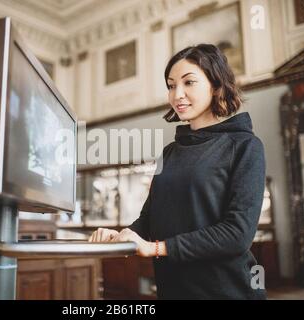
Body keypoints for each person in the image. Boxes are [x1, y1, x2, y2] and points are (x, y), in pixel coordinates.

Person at [89, 44, 266, 299]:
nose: (177, 94)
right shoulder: (170, 153)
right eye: (171, 85)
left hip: (227, 291)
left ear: (216, 85)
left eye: (189, 82)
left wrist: (156, 249)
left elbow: (237, 234)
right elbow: (150, 220)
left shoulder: (245, 146)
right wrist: (123, 236)